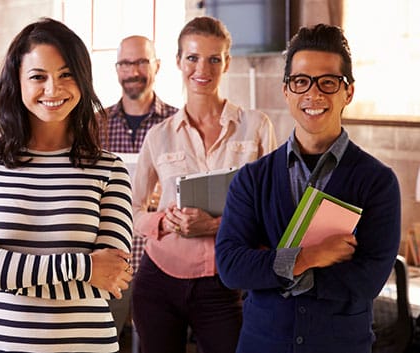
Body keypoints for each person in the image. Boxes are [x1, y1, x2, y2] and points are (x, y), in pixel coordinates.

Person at [0, 18, 133, 353]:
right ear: (16, 82)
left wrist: (1, 260)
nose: (53, 89)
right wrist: (86, 266)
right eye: (38, 77)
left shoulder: (110, 170)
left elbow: (111, 280)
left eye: (66, 74)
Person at [215, 24, 401, 353]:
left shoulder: (377, 181)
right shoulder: (252, 178)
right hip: (262, 345)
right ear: (286, 91)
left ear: (349, 92)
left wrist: (271, 265)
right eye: (301, 81)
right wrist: (313, 257)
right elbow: (231, 267)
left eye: (328, 82)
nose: (313, 94)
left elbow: (367, 280)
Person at [130, 16, 276, 353]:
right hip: (159, 281)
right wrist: (165, 222)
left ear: (227, 62)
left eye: (214, 58)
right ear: (179, 62)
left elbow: (272, 211)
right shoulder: (159, 136)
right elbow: (132, 211)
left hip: (227, 284)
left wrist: (213, 225)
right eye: (193, 58)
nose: (202, 69)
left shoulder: (255, 127)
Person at [99, 34, 179, 341]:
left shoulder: (177, 123)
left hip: (162, 262)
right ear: (117, 68)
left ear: (157, 65)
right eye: (126, 63)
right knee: (103, 343)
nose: (133, 71)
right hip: (110, 259)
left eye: (142, 62)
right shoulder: (96, 125)